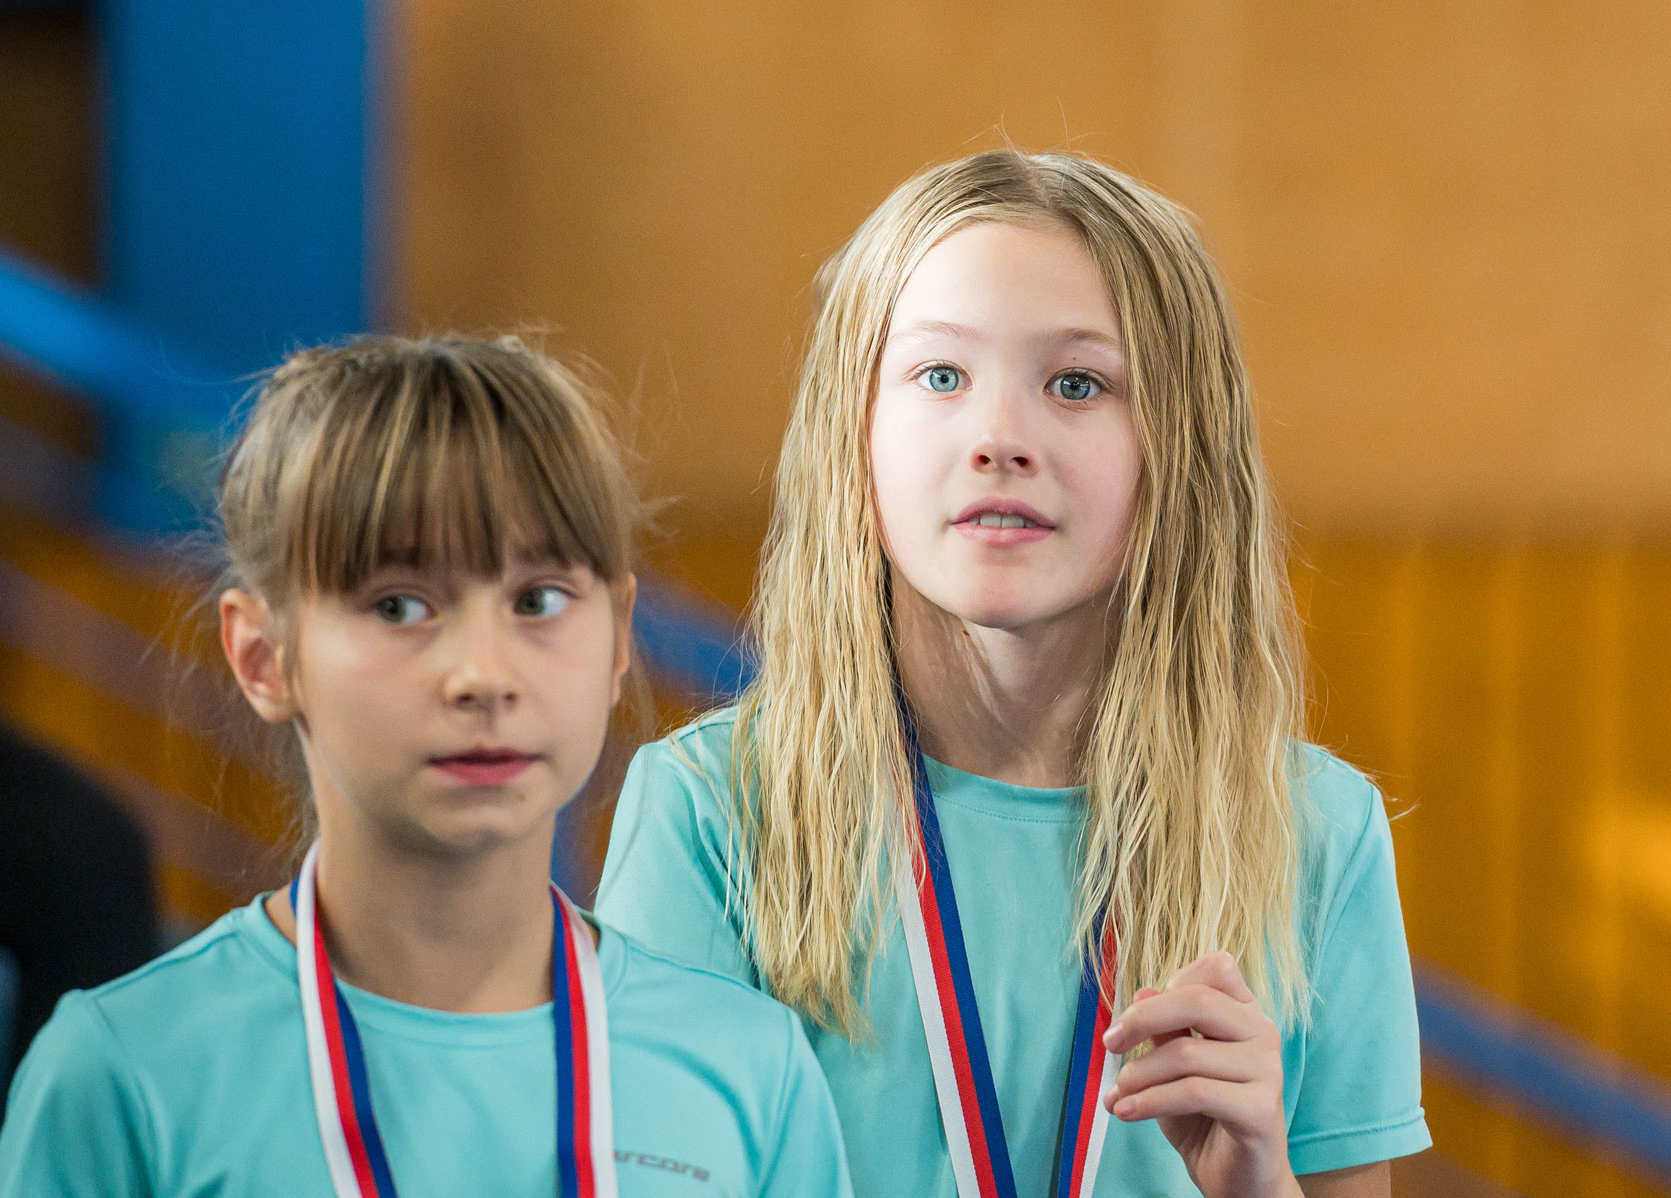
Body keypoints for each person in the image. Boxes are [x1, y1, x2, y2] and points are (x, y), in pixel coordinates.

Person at [596, 151, 1430, 1198]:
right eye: (941, 376)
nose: (999, 439)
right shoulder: (712, 812)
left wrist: (1259, 1189)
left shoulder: (1316, 832)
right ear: (853, 432)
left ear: (1182, 450)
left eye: (1076, 384)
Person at [0, 335, 853, 1196]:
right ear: (263, 657)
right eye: (400, 606)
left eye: (538, 600)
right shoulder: (125, 1075)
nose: (483, 675)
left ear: (620, 635)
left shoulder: (747, 1070)